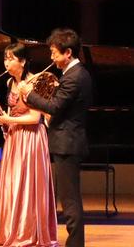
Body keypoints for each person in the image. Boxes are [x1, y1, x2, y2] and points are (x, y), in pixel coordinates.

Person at [18, 28, 92, 247]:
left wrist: (29, 93)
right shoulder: (74, 74)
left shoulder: (74, 76)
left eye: (54, 53)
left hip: (67, 143)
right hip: (67, 141)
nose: (51, 58)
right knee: (69, 199)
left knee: (70, 200)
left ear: (68, 53)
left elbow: (55, 107)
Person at [0, 42, 59, 247]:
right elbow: (14, 111)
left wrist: (9, 120)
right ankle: (10, 229)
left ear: (23, 61)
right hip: (15, 137)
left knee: (26, 184)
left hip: (31, 139)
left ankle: (27, 231)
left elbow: (35, 118)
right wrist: (3, 117)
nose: (6, 63)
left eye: (11, 59)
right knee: (13, 183)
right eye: (5, 58)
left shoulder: (35, 82)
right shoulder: (10, 82)